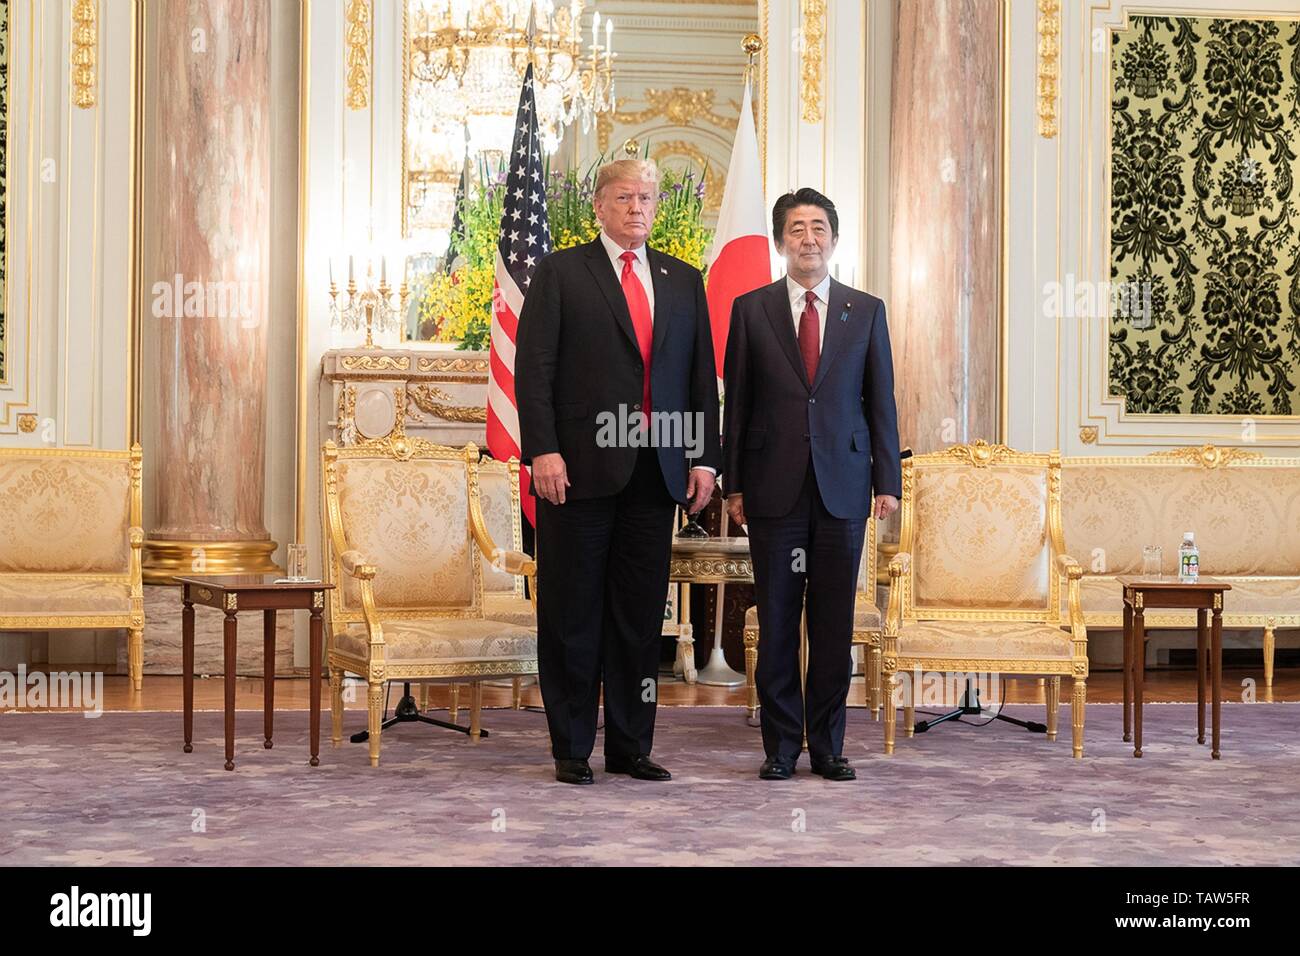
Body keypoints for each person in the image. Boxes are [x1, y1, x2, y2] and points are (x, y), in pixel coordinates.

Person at [515, 159, 721, 785]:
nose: (638, 206)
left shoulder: (684, 281)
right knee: (573, 613)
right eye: (625, 196)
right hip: (575, 472)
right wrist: (542, 450)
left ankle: (632, 746)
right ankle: (572, 749)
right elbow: (535, 371)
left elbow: (698, 380)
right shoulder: (559, 273)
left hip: (656, 473)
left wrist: (705, 456)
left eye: (648, 197)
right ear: (599, 205)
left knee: (638, 619)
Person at [723, 187, 902, 781]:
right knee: (776, 621)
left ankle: (828, 746)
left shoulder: (865, 310)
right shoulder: (751, 310)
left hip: (844, 489)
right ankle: (779, 748)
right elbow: (739, 405)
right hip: (772, 491)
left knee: (833, 625)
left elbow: (881, 403)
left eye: (818, 228)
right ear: (780, 242)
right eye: (796, 229)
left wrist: (887, 481)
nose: (808, 239)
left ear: (834, 238)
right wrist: (735, 484)